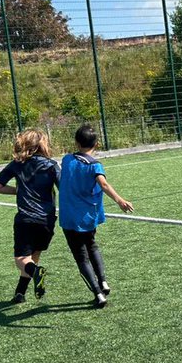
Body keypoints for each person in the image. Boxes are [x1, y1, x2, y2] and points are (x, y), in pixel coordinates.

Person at [58, 123, 134, 309]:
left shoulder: (67, 160)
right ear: (97, 144)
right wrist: (120, 201)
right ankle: (104, 282)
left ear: (76, 142)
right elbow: (104, 184)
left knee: (81, 257)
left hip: (70, 217)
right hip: (88, 216)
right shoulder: (95, 165)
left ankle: (98, 294)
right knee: (92, 246)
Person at [0, 129, 59, 304]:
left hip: (26, 219)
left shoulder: (16, 164)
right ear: (42, 144)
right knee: (34, 255)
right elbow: (64, 188)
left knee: (21, 259)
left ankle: (36, 273)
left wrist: (17, 190)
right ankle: (20, 292)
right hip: (47, 220)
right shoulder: (52, 165)